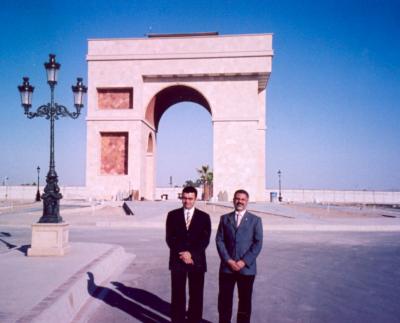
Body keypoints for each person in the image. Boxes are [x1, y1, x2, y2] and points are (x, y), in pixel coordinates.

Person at [216, 189, 263, 323]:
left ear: (247, 201)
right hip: (227, 268)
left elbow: (258, 243)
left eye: (243, 199)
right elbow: (219, 240)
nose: (240, 201)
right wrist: (228, 260)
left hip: (246, 269)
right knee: (224, 301)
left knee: (245, 302)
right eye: (237, 198)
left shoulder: (255, 220)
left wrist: (244, 261)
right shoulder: (225, 218)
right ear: (233, 200)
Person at [166, 186, 212, 323]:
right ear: (181, 198)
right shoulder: (172, 215)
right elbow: (170, 238)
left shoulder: (204, 217)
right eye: (184, 198)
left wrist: (191, 254)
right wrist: (183, 254)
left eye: (190, 198)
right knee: (178, 295)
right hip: (177, 261)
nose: (187, 201)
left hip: (196, 262)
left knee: (196, 295)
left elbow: (205, 239)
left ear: (195, 199)